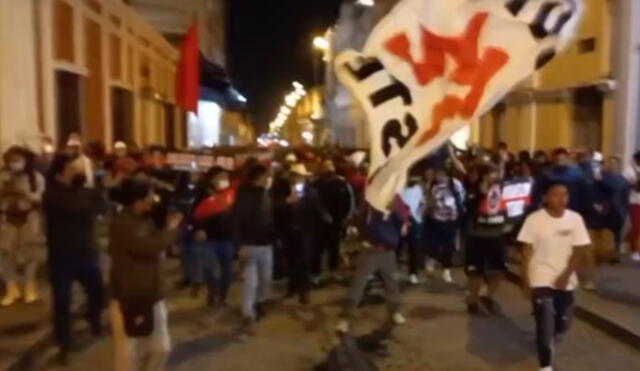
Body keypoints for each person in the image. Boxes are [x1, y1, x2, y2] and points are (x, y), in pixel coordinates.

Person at [108, 179, 182, 371]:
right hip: (129, 294)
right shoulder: (123, 223)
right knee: (127, 353)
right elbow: (149, 247)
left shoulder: (145, 220)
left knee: (162, 348)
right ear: (136, 200)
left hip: (152, 291)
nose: (153, 200)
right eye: (149, 197)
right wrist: (171, 229)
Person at [519, 182, 590, 371]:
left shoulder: (575, 219)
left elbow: (580, 249)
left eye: (564, 195)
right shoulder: (534, 219)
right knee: (546, 323)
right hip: (540, 277)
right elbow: (526, 251)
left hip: (565, 280)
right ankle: (545, 365)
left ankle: (548, 335)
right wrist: (525, 279)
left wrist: (566, 275)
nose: (561, 199)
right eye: (555, 195)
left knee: (563, 325)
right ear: (545, 198)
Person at [43, 153, 107, 363]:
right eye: (72, 168)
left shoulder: (84, 191)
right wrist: (90, 195)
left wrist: (95, 189)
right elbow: (78, 207)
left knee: (97, 291)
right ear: (60, 171)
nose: (76, 171)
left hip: (86, 251)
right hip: (62, 255)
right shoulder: (52, 194)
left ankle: (95, 321)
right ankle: (64, 343)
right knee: (62, 300)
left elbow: (102, 206)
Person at [336, 197, 409, 333]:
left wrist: (403, 221)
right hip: (368, 251)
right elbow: (360, 223)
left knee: (391, 283)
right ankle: (345, 319)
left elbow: (402, 223)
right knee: (358, 285)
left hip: (387, 251)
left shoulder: (393, 203)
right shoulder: (368, 204)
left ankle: (394, 312)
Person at [275, 163, 328, 304]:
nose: (299, 179)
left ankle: (304, 291)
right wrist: (287, 202)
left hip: (305, 232)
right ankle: (292, 287)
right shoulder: (282, 190)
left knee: (304, 262)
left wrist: (325, 217)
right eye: (296, 176)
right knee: (291, 261)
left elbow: (318, 209)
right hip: (288, 232)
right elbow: (275, 208)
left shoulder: (311, 192)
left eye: (301, 177)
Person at [0, 147, 46, 306]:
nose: (14, 163)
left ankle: (29, 287)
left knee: (31, 254)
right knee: (6, 255)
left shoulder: (35, 178)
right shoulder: (3, 176)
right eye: (11, 160)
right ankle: (11, 288)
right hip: (8, 219)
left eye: (18, 160)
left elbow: (40, 198)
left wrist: (25, 193)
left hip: (29, 218)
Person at [233, 164, 276, 329]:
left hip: (266, 243)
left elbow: (269, 216)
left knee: (266, 278)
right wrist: (240, 244)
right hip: (250, 244)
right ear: (258, 177)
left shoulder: (266, 193)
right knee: (250, 281)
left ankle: (259, 303)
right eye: (267, 175)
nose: (269, 179)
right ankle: (247, 313)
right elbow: (237, 221)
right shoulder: (245, 195)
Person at [465, 165, 512, 314]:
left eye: (495, 174)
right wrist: (481, 194)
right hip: (477, 237)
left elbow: (511, 208)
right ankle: (472, 301)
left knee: (499, 271)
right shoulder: (474, 191)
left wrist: (510, 224)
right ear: (483, 176)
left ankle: (487, 296)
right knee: (475, 273)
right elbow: (469, 208)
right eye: (490, 174)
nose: (493, 177)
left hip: (497, 237)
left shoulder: (503, 191)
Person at [192, 168, 236, 307]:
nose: (224, 180)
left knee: (227, 270)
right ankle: (213, 292)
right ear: (212, 179)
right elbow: (194, 215)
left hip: (227, 237)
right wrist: (198, 229)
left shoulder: (231, 194)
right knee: (210, 268)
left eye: (226, 177)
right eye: (221, 177)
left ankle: (223, 296)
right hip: (209, 238)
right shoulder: (203, 195)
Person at [312, 160, 355, 282]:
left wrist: (347, 217)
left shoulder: (341, 183)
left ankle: (334, 270)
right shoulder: (316, 184)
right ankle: (316, 273)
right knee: (317, 249)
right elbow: (312, 202)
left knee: (334, 248)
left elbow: (350, 200)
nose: (328, 168)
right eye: (325, 166)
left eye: (330, 166)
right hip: (319, 224)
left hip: (337, 222)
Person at [424, 166, 466, 283]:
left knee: (448, 246)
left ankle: (446, 270)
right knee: (434, 243)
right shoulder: (434, 186)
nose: (436, 177)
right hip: (437, 220)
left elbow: (461, 197)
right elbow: (431, 201)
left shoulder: (455, 184)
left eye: (438, 174)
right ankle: (432, 258)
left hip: (452, 220)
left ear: (445, 175)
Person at [602, 156, 630, 262]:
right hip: (606, 208)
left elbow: (625, 196)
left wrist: (625, 211)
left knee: (617, 232)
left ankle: (615, 252)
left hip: (618, 209)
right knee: (606, 231)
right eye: (610, 163)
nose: (612, 165)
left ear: (618, 165)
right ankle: (606, 252)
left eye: (615, 163)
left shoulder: (623, 180)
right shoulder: (603, 178)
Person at [400, 176, 426, 285]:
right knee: (397, 246)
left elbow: (422, 202)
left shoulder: (418, 189)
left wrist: (422, 208)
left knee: (414, 248)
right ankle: (388, 272)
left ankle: (413, 273)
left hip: (415, 220)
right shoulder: (400, 188)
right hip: (401, 220)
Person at [623, 151, 640, 262]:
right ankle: (634, 251)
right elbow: (625, 185)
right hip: (634, 201)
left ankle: (627, 238)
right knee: (637, 225)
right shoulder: (629, 170)